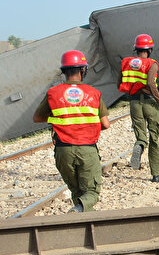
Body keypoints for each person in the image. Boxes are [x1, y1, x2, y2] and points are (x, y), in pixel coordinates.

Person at [32, 50, 110, 212]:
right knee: (91, 192)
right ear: (82, 70)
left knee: (77, 191)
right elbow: (106, 124)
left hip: (63, 151)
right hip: (86, 149)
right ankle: (81, 209)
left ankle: (83, 220)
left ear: (63, 71)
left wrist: (60, 121)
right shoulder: (93, 93)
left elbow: (37, 118)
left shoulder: (53, 93)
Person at [119, 34, 159, 182]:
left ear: (136, 48)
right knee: (154, 137)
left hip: (134, 102)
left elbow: (119, 82)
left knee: (141, 135)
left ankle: (140, 145)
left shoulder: (126, 63)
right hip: (149, 103)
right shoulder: (151, 64)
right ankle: (156, 174)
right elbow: (150, 83)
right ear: (150, 49)